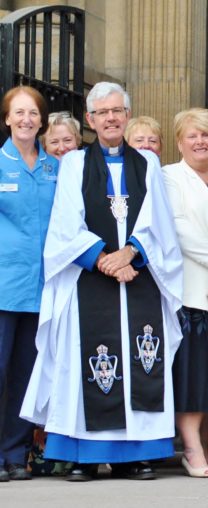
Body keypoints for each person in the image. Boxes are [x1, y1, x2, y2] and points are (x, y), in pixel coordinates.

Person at [20, 81, 183, 482]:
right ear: (90, 120)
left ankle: (138, 456)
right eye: (102, 113)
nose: (111, 118)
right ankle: (84, 455)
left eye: (118, 111)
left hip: (139, 277)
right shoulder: (74, 163)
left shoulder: (147, 164)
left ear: (127, 116)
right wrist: (104, 259)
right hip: (90, 280)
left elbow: (159, 223)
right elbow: (64, 225)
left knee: (142, 361)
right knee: (88, 362)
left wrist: (131, 254)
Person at [161, 108, 208, 478]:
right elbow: (176, 226)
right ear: (179, 142)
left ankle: (206, 442)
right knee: (193, 375)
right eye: (192, 135)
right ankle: (191, 448)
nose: (200, 141)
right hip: (192, 288)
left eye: (206, 135)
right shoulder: (169, 177)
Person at [0, 86, 59, 482]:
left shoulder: (56, 167)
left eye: (33, 113)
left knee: (27, 374)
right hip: (5, 285)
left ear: (42, 120)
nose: (26, 119)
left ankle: (15, 452)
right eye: (19, 113)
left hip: (44, 289)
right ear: (7, 118)